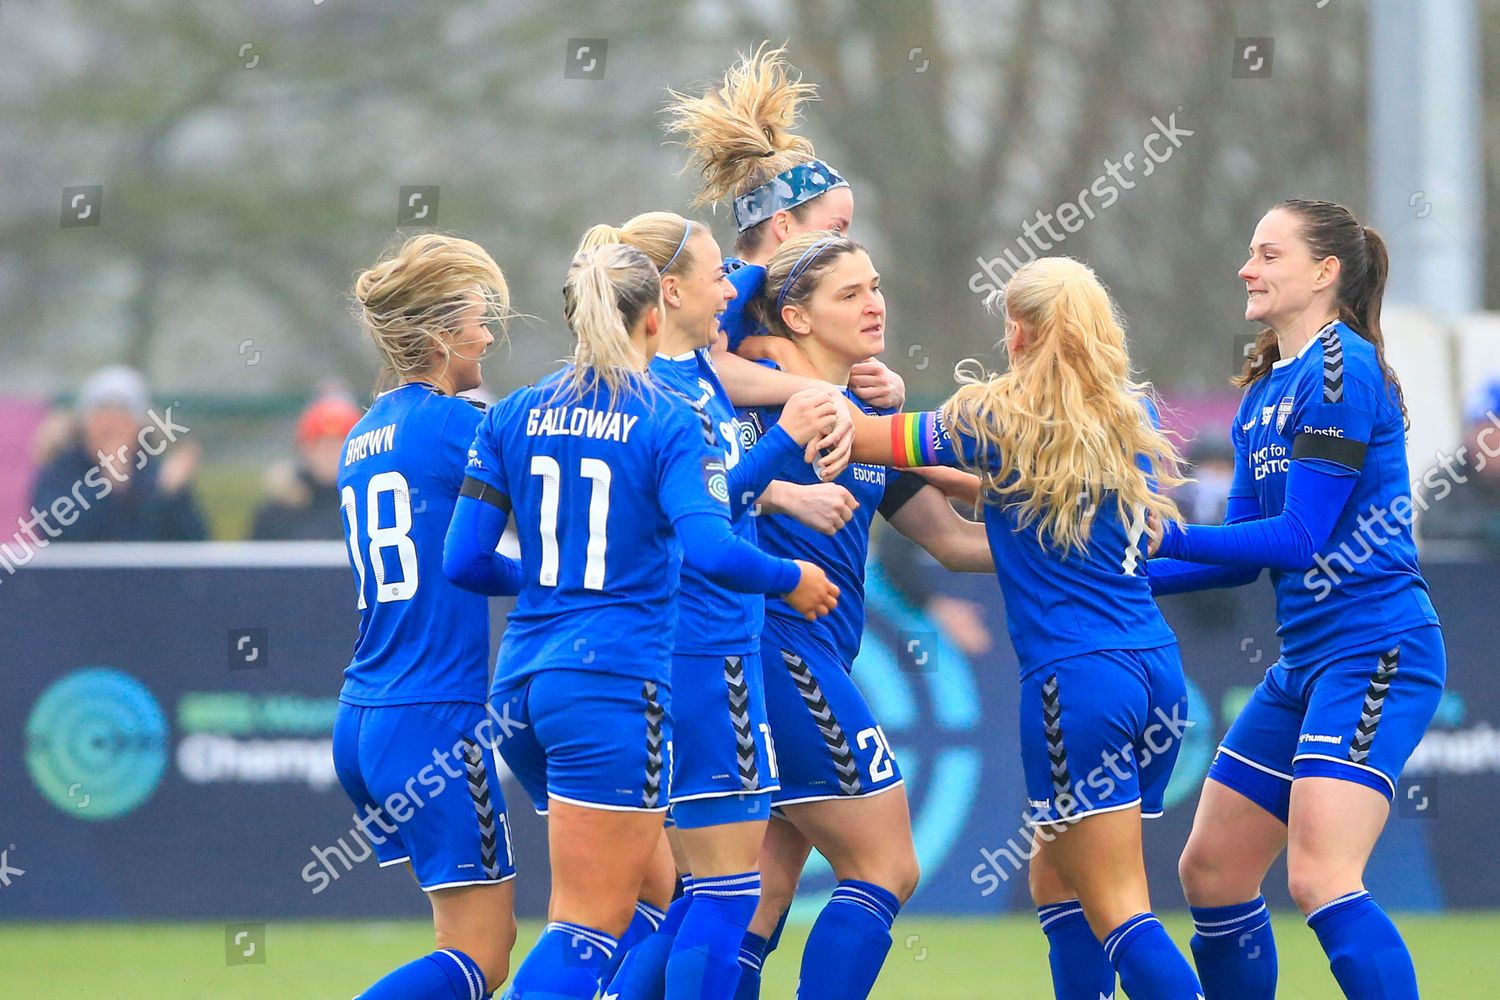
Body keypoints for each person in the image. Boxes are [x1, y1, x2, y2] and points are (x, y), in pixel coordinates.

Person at [443, 242, 840, 999]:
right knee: (593, 929)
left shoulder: (515, 412)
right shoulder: (668, 418)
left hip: (522, 686)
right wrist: (792, 577)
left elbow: (464, 563)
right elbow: (713, 549)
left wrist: (559, 580)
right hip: (612, 688)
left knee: (646, 903)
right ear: (655, 315)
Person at [1148, 200, 1444, 1000]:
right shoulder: (1262, 391)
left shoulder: (1341, 370)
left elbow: (1298, 538)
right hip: (1306, 661)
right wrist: (1114, 572)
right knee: (1209, 870)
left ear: (1325, 272)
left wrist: (1163, 535)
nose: (1248, 268)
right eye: (1251, 253)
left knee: (1320, 877)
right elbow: (1241, 556)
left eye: (1269, 255)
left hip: (1377, 648)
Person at [571, 212, 847, 1000]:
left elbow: (757, 268)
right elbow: (708, 529)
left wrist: (790, 200)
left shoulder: (690, 370)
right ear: (668, 291)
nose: (730, 289)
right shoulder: (664, 390)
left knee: (695, 896)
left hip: (696, 645)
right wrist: (786, 442)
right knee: (729, 895)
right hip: (704, 643)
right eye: (714, 276)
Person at [736, 231, 995, 1000]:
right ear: (797, 318)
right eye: (849, 294)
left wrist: (1072, 541)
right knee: (885, 866)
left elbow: (951, 541)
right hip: (781, 659)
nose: (874, 303)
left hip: (775, 666)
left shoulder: (859, 419)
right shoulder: (757, 406)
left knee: (754, 898)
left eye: (875, 285)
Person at [332, 233, 521, 1000]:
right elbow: (560, 480)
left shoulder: (361, 433)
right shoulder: (450, 426)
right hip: (432, 718)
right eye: (478, 319)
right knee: (484, 957)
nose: (488, 333)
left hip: (364, 716)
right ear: (440, 335)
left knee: (466, 947)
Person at [664, 44, 906, 415]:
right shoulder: (738, 283)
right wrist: (825, 390)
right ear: (784, 224)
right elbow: (706, 370)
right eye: (835, 228)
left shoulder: (798, 293)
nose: (841, 244)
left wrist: (886, 387)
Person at [29, 364, 206, 542]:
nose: (112, 425)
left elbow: (193, 542)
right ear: (84, 423)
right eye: (102, 414)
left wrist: (170, 495)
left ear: (139, 426)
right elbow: (58, 531)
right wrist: (106, 485)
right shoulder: (60, 470)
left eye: (123, 415)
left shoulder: (154, 474)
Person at [249, 393, 362, 540]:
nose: (329, 454)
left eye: (339, 445)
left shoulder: (367, 505)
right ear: (304, 448)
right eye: (319, 444)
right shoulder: (279, 511)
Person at [1415, 378, 1500, 553]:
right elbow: (1432, 529)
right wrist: (1486, 528)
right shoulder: (1445, 480)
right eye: (1486, 431)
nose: (1493, 441)